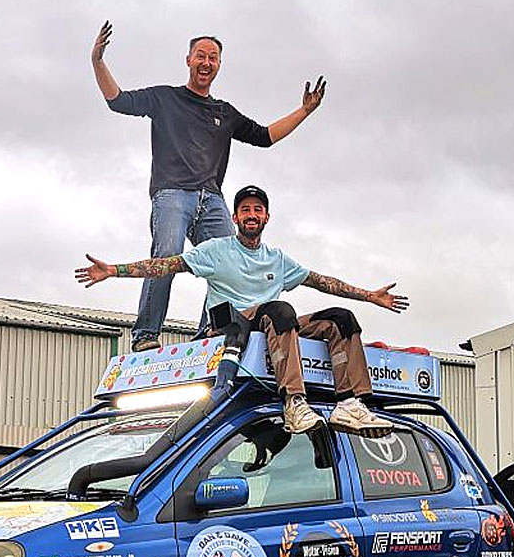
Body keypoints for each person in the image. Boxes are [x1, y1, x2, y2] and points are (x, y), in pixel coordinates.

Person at [75, 185, 409, 436]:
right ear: (235, 217)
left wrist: (369, 296)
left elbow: (321, 281)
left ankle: (351, 404)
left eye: (257, 210)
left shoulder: (277, 259)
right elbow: (166, 265)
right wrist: (114, 270)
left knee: (341, 318)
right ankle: (294, 403)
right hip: (230, 326)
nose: (251, 215)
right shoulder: (216, 250)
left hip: (275, 324)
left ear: (266, 217)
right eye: (245, 210)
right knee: (280, 309)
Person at [90, 22, 328, 351]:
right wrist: (98, 61)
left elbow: (265, 136)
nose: (206, 62)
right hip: (173, 193)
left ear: (218, 65)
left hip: (212, 199)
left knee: (230, 262)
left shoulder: (224, 112)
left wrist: (304, 111)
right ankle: (146, 334)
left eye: (213, 58)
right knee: (169, 255)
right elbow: (117, 100)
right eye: (200, 55)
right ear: (188, 60)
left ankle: (209, 332)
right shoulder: (165, 98)